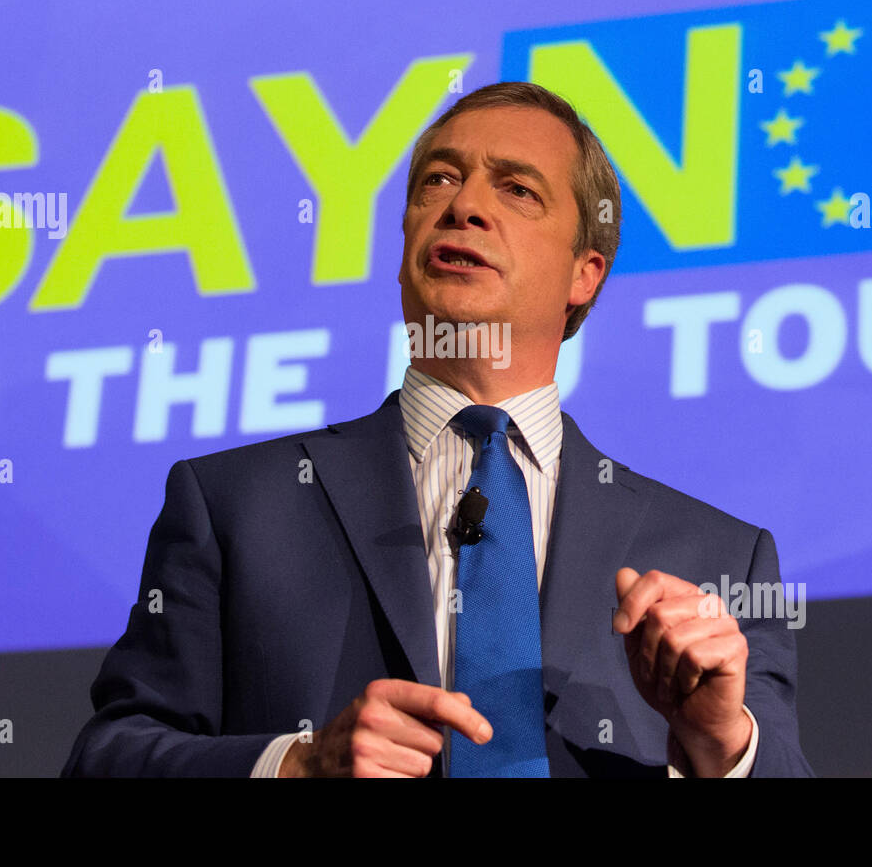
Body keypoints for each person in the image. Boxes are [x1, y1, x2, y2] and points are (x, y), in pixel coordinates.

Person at [62, 81, 813, 778]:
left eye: (517, 190)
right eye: (438, 182)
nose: (464, 207)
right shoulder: (237, 505)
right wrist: (299, 764)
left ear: (586, 273)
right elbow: (106, 759)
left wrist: (720, 744)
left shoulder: (718, 558)